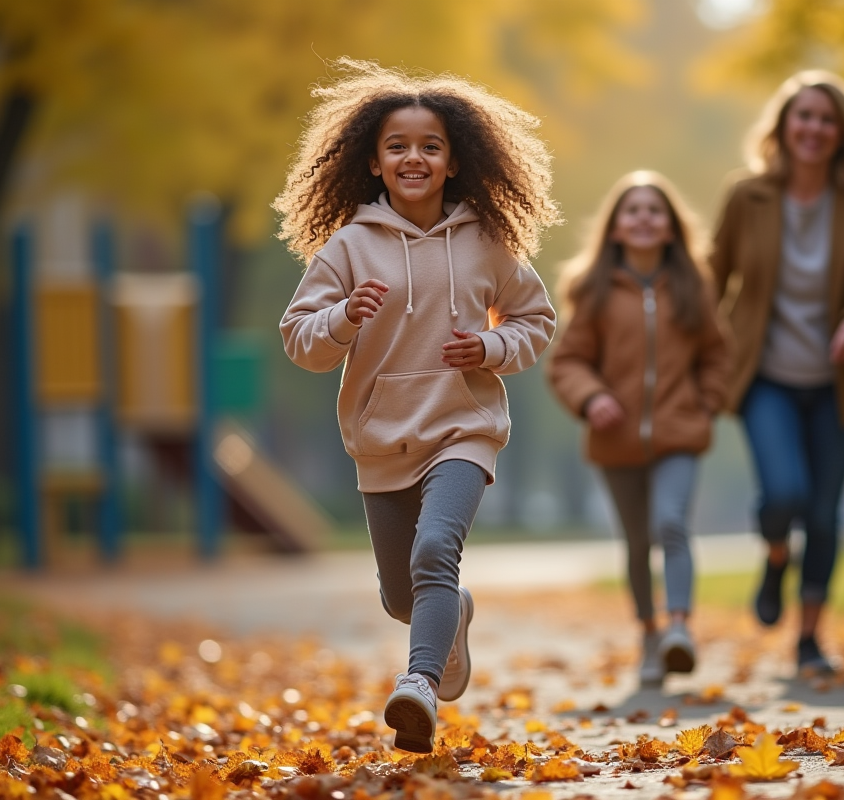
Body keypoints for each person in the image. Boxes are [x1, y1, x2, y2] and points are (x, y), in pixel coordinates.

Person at [276, 59, 560, 753]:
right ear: (373, 162)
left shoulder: (486, 242)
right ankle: (450, 617)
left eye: (430, 146)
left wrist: (491, 350)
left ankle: (418, 688)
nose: (414, 157)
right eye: (398, 146)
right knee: (404, 598)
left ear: (454, 160)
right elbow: (300, 340)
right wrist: (343, 318)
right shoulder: (347, 247)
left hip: (463, 429)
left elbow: (536, 320)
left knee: (437, 550)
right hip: (381, 440)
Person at [709, 70, 844, 676]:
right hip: (765, 378)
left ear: (842, 134)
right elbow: (710, 277)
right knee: (784, 495)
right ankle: (777, 556)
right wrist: (699, 347)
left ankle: (808, 639)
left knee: (825, 514)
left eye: (827, 120)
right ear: (783, 126)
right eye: (803, 116)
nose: (814, 128)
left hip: (836, 383)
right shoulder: (746, 196)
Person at [546, 171, 728, 688]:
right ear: (616, 228)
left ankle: (679, 629)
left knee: (672, 524)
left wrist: (707, 404)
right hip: (615, 439)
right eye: (633, 211)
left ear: (671, 228)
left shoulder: (694, 287)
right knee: (635, 542)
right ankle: (649, 636)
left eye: (655, 211)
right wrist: (592, 397)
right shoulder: (596, 290)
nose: (644, 218)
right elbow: (568, 363)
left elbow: (718, 356)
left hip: (678, 434)